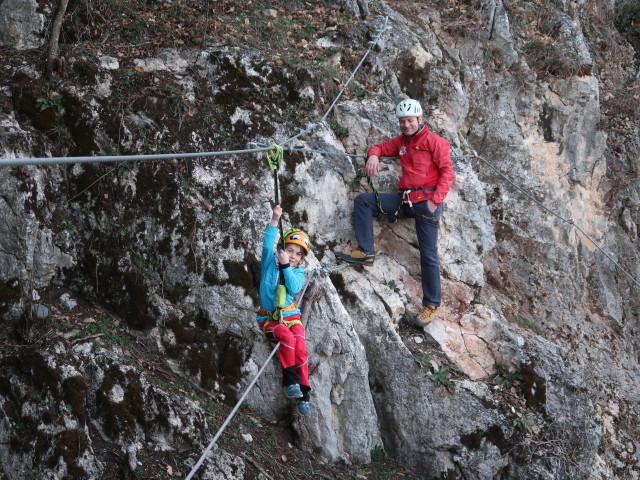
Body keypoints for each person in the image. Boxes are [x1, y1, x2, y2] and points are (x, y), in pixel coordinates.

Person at [337, 99, 455, 327]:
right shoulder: (401, 142)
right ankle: (366, 251)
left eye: (410, 120)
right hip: (404, 201)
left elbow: (447, 173)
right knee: (364, 200)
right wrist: (373, 155)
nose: (406, 125)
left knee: (428, 255)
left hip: (426, 205)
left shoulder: (436, 142)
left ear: (420, 120)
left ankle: (431, 305)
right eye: (402, 121)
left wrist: (435, 202)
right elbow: (380, 147)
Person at [257, 204, 312, 417]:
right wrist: (275, 218)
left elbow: (294, 287)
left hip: (291, 315)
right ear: (282, 249)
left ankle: (305, 393)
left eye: (298, 254)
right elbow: (267, 243)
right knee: (286, 336)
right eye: (289, 250)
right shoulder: (269, 262)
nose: (293, 255)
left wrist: (287, 266)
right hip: (269, 318)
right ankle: (291, 382)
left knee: (301, 347)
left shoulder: (297, 272)